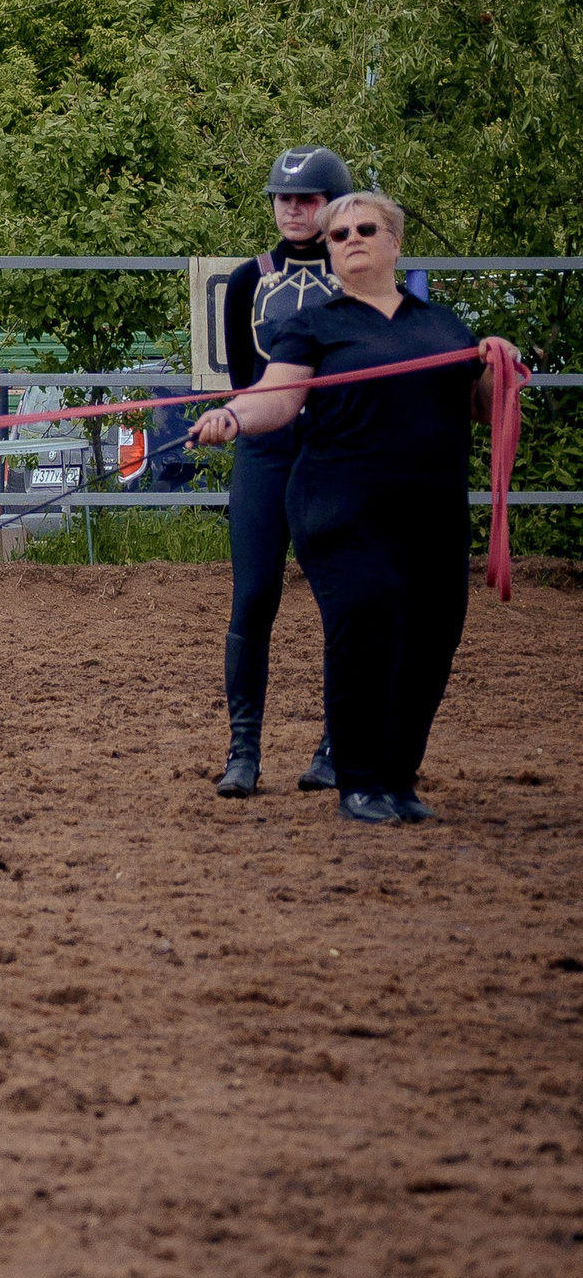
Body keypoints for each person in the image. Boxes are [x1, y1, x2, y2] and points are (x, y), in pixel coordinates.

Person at [191, 191, 517, 828]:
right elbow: (277, 398)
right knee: (364, 627)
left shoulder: (445, 327)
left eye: (367, 229)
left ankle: (398, 777)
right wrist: (232, 416)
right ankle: (359, 780)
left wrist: (495, 368)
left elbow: (482, 409)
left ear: (395, 244)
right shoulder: (313, 324)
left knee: (431, 640)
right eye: (339, 234)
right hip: (340, 512)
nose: (352, 239)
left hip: (432, 515)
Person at [212, 146, 350, 798]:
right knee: (254, 595)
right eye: (284, 198)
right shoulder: (247, 280)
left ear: (332, 204)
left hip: (334, 453)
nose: (293, 208)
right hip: (267, 451)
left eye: (308, 198)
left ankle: (336, 743)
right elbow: (246, 378)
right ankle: (243, 749)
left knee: (343, 602)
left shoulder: (359, 281)